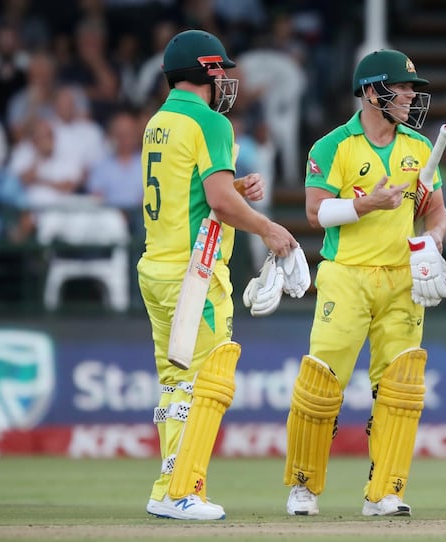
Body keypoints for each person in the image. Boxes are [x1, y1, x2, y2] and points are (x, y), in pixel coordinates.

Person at [282, 49, 446, 518]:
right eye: (404, 88)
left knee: (400, 388)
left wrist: (433, 242)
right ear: (375, 92)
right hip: (346, 276)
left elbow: (435, 210)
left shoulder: (418, 147)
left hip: (403, 277)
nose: (413, 96)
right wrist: (368, 205)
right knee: (321, 385)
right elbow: (316, 213)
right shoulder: (333, 146)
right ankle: (303, 486)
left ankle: (385, 492)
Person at [139, 29, 299, 521]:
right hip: (196, 274)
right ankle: (186, 490)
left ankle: (167, 487)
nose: (227, 80)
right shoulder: (210, 122)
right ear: (206, 72)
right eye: (222, 70)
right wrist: (269, 228)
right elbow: (217, 200)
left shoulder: (157, 122)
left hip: (155, 268)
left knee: (175, 387)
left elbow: (203, 191)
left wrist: (235, 194)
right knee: (210, 382)